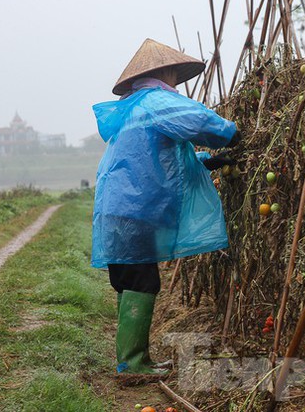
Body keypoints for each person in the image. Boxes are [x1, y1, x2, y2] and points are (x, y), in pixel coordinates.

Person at [91, 38, 240, 376]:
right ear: (167, 70)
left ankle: (130, 358)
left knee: (129, 280)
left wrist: (205, 161)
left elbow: (158, 161)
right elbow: (201, 122)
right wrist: (232, 134)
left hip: (117, 209)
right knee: (142, 282)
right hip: (136, 210)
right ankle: (132, 365)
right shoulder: (157, 101)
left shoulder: (134, 109)